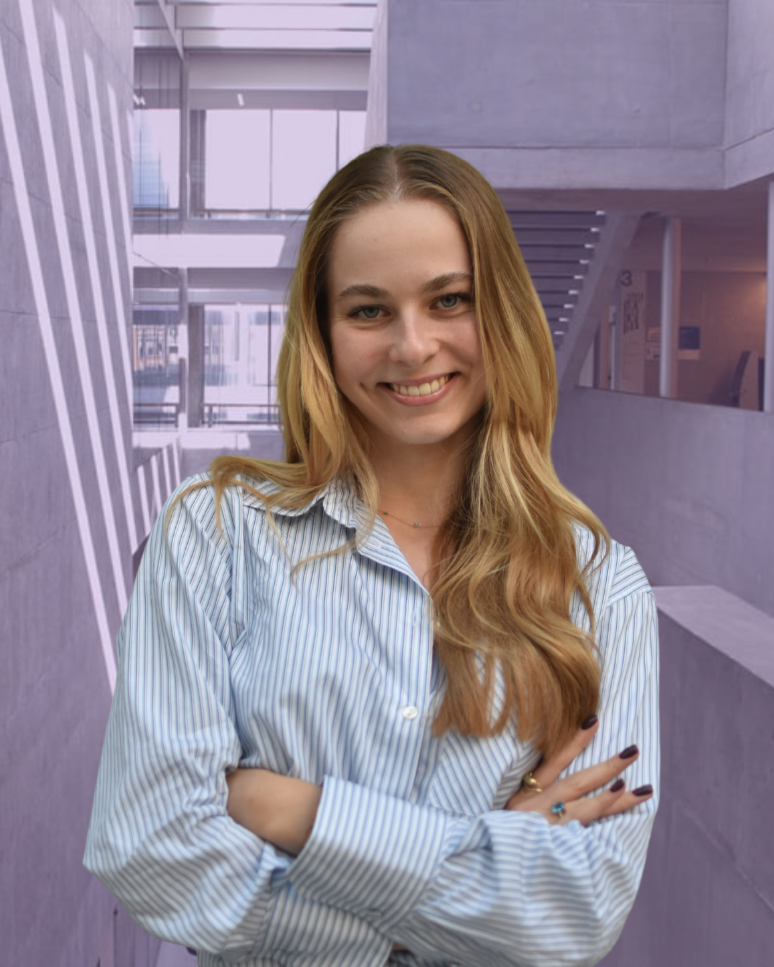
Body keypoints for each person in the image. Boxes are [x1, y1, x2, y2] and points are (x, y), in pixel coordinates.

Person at [84, 144, 659, 967]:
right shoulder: (213, 534)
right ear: (321, 331)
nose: (413, 346)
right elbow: (150, 851)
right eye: (367, 310)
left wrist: (298, 813)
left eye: (449, 299)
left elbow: (580, 908)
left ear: (499, 310)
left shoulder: (601, 585)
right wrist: (482, 860)